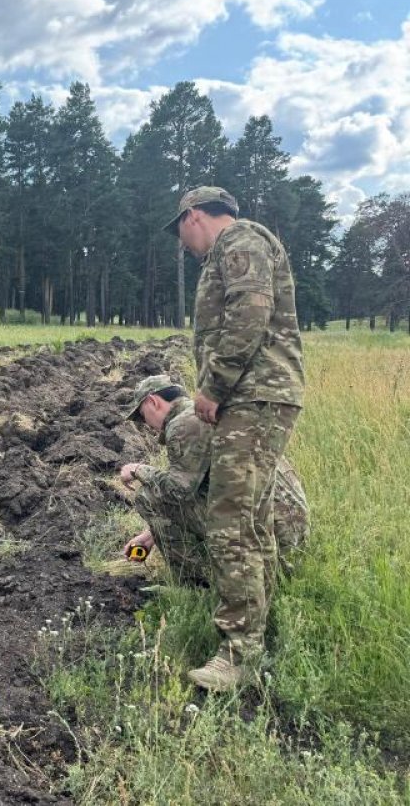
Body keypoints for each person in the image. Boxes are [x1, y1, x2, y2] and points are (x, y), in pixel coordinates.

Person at [164, 186, 304, 692]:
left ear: (193, 216)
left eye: (180, 230)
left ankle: (239, 653)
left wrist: (213, 386)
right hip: (252, 397)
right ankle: (260, 628)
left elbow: (249, 313)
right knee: (252, 517)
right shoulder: (232, 249)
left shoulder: (241, 242)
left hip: (251, 397)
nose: (183, 243)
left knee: (230, 522)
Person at [119, 375, 308, 587]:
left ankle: (197, 584)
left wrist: (137, 469)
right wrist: (151, 535)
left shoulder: (184, 424)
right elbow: (204, 487)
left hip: (267, 542)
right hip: (290, 534)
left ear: (152, 401)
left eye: (143, 417)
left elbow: (177, 492)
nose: (146, 425)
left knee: (148, 496)